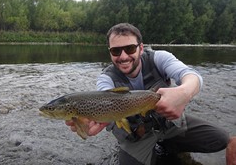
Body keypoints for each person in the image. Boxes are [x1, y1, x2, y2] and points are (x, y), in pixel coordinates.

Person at [66, 23, 236, 165]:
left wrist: (184, 93)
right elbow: (102, 100)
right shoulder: (106, 79)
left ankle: (170, 146)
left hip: (169, 125)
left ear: (140, 48)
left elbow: (192, 76)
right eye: (116, 51)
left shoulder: (159, 58)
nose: (123, 56)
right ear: (110, 52)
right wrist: (91, 121)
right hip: (137, 137)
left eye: (130, 48)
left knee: (226, 140)